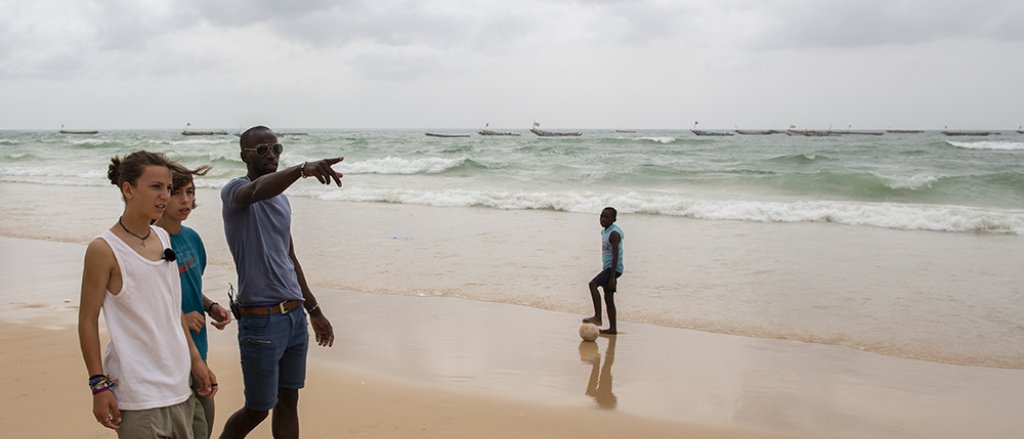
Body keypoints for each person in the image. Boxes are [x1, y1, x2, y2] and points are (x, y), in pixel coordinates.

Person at [79, 150, 217, 437]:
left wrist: (195, 361)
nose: (164, 196)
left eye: (168, 188)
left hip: (179, 385)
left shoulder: (164, 239)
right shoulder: (103, 249)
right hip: (137, 391)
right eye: (156, 187)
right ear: (128, 189)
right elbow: (88, 321)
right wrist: (98, 384)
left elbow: (173, 306)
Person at [219, 126, 342, 438]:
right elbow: (256, 191)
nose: (271, 154)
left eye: (276, 148)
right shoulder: (235, 191)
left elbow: (290, 258)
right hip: (261, 320)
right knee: (258, 409)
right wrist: (301, 170)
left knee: (289, 401)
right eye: (262, 150)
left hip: (294, 318)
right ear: (243, 155)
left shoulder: (283, 202)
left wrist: (314, 310)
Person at [155, 162, 232, 439]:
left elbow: (186, 286)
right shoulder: (152, 243)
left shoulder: (192, 238)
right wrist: (180, 319)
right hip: (168, 356)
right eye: (177, 193)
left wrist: (210, 306)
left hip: (199, 349)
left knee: (205, 427)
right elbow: (148, 298)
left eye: (190, 191)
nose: (186, 200)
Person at [582, 207, 624, 335]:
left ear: (614, 219)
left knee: (593, 284)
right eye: (601, 216)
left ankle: (598, 317)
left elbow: (616, 255)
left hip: (613, 268)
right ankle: (613, 329)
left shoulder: (614, 234)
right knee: (609, 298)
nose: (603, 219)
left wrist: (612, 277)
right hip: (608, 268)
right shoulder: (604, 231)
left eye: (607, 217)